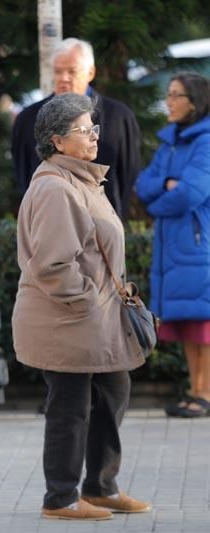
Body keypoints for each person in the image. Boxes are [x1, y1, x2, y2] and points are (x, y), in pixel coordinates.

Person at [12, 93, 150, 521]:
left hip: (95, 320)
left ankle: (101, 487)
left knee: (114, 390)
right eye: (83, 130)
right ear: (57, 141)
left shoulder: (84, 179)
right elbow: (54, 266)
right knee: (70, 407)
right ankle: (60, 497)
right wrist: (89, 300)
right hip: (70, 319)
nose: (94, 136)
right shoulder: (55, 188)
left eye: (94, 127)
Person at [135, 72, 210, 417]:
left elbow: (188, 194)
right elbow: (144, 184)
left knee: (202, 325)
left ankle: (204, 393)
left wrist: (161, 198)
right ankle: (196, 391)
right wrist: (165, 186)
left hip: (199, 246)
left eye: (177, 95)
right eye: (169, 94)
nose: (170, 101)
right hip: (175, 247)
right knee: (186, 325)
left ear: (195, 101)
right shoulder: (170, 142)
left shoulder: (206, 141)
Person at [11, 38, 141, 219]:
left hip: (103, 225)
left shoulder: (118, 117)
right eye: (58, 71)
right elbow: (24, 175)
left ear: (90, 72)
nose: (64, 78)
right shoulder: (28, 119)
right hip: (48, 223)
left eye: (72, 71)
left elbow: (127, 175)